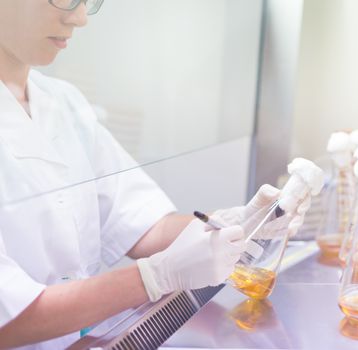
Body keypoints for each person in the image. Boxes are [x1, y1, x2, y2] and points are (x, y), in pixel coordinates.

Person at [0, 1, 310, 348]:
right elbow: (7, 320)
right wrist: (154, 277)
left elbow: (143, 225)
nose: (81, 18)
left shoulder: (63, 103)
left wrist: (238, 224)